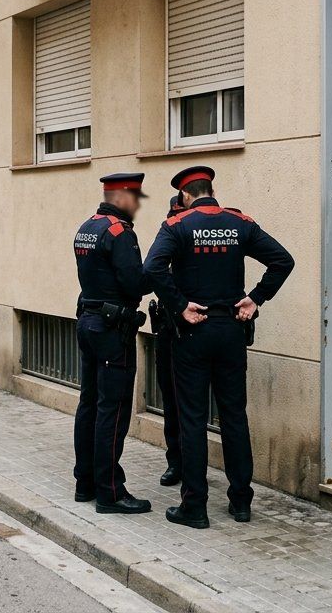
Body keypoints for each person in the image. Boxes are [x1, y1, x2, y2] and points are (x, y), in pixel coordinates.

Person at [143, 166, 294, 529]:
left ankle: (194, 507)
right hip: (231, 331)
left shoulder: (177, 225)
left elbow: (152, 270)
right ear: (210, 189)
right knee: (234, 417)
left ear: (183, 195)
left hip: (192, 332)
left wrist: (179, 304)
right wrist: (256, 298)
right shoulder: (239, 223)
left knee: (192, 419)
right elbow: (282, 260)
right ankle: (241, 502)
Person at [72, 173, 152, 516]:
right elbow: (134, 284)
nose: (137, 204)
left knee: (89, 403)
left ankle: (85, 483)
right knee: (113, 409)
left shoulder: (86, 227)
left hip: (88, 320)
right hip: (111, 329)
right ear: (120, 196)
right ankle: (110, 493)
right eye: (135, 198)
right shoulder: (120, 233)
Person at [147, 194, 185, 488]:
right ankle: (176, 462)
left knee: (191, 404)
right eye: (173, 215)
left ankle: (191, 464)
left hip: (195, 332)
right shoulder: (166, 244)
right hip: (168, 330)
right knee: (170, 400)